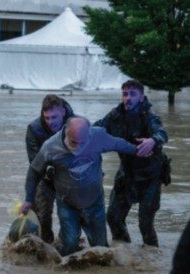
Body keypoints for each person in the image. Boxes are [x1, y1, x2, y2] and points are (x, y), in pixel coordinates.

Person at [21, 117, 140, 256]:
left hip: (94, 202)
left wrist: (137, 150)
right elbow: (34, 171)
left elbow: (118, 143)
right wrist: (29, 199)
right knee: (69, 247)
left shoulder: (97, 136)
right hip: (67, 204)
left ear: (89, 133)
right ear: (66, 131)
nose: (77, 147)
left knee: (101, 250)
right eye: (73, 142)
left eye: (82, 143)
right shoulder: (50, 146)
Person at [94, 79, 168, 247]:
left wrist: (152, 141)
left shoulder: (150, 117)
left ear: (142, 97)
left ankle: (151, 260)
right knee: (113, 217)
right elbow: (94, 130)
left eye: (133, 94)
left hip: (150, 176)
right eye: (125, 94)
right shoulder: (115, 116)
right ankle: (123, 252)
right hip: (126, 174)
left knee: (145, 223)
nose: (128, 98)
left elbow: (162, 133)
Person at [25, 94, 74, 243]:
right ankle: (47, 248)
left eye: (54, 117)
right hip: (45, 176)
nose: (50, 122)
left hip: (70, 178)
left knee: (71, 216)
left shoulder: (77, 125)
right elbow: (34, 164)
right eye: (47, 118)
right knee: (43, 216)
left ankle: (67, 245)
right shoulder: (34, 129)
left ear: (63, 113)